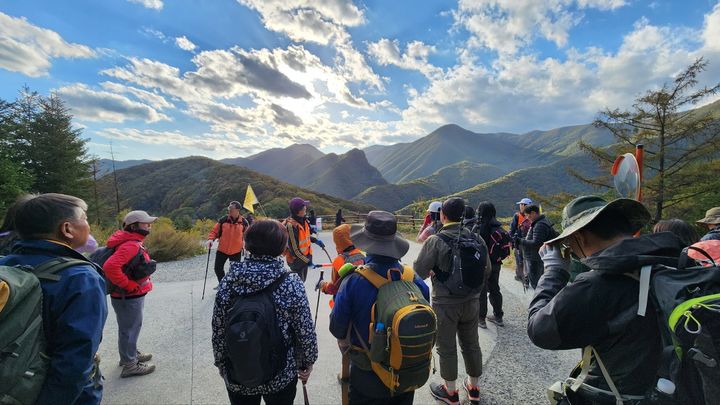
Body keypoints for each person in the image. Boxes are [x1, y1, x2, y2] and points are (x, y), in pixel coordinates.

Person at [527, 196, 685, 403]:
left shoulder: (598, 285)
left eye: (569, 243)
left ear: (580, 238)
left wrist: (554, 271)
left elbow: (539, 330)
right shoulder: (674, 266)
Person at [0, 193, 108, 404]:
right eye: (84, 218)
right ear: (67, 229)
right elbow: (76, 358)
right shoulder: (81, 278)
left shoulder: (6, 264)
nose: (88, 224)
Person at [212, 219, 318, 405]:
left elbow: (219, 328)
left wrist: (221, 363)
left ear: (246, 244)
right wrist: (307, 361)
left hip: (238, 372)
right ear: (282, 248)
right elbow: (304, 328)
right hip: (280, 374)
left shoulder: (228, 281)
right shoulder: (290, 282)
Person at [330, 211, 430, 405]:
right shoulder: (413, 279)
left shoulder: (353, 281)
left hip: (367, 377)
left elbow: (337, 328)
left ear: (365, 243)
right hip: (406, 375)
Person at [414, 198, 489, 405]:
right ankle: (474, 388)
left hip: (445, 304)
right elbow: (487, 270)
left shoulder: (436, 240)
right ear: (463, 215)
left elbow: (419, 272)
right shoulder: (477, 239)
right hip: (472, 302)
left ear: (442, 216)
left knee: (446, 347)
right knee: (472, 344)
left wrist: (435, 271)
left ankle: (450, 392)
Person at [104, 210, 158, 378]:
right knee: (130, 328)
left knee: (128, 327)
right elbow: (110, 267)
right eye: (145, 223)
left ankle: (130, 354)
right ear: (134, 226)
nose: (149, 226)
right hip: (128, 295)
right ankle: (130, 365)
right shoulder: (130, 245)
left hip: (125, 295)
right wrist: (129, 285)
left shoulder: (130, 241)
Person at [475, 201, 504, 328]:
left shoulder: (481, 227)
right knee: (494, 288)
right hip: (496, 263)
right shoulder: (498, 225)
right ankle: (498, 316)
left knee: (482, 291)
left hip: (483, 264)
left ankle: (481, 319)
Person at [207, 201, 249, 284]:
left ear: (237, 209)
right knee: (218, 268)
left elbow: (248, 236)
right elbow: (214, 231)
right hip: (222, 249)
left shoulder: (244, 222)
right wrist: (211, 239)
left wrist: (247, 248)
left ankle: (232, 286)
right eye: (229, 208)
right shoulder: (223, 220)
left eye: (231, 208)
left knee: (235, 270)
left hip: (236, 251)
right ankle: (223, 284)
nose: (229, 210)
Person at [284, 197, 325, 282]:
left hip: (305, 258)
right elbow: (294, 250)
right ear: (298, 211)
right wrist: (308, 262)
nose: (306, 208)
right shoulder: (291, 226)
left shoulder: (304, 221)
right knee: (298, 284)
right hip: (297, 262)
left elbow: (304, 237)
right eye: (304, 207)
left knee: (303, 281)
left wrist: (315, 240)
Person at [516, 204, 556, 289]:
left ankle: (539, 301)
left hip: (535, 258)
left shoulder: (539, 225)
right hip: (536, 257)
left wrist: (520, 241)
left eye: (527, 215)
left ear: (533, 213)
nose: (526, 218)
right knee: (538, 282)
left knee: (536, 284)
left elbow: (536, 243)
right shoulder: (540, 222)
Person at [319, 224, 365, 296]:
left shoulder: (339, 260)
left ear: (337, 242)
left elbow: (333, 288)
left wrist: (323, 285)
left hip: (348, 300)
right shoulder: (362, 253)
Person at [509, 198, 532, 282]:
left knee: (520, 260)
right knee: (527, 260)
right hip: (531, 243)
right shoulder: (533, 215)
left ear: (524, 205)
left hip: (520, 242)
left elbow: (512, 230)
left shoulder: (517, 216)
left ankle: (521, 276)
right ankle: (527, 276)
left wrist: (511, 241)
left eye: (521, 204)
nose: (520, 206)